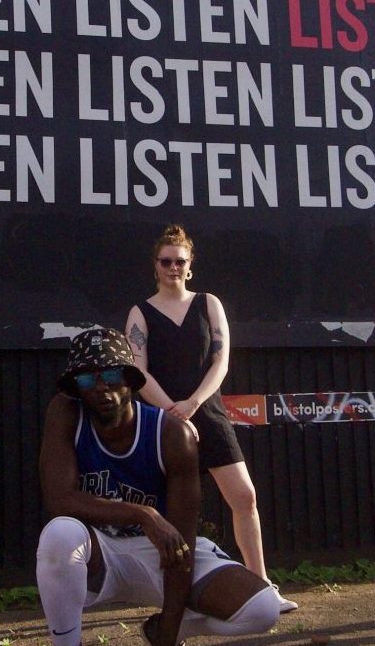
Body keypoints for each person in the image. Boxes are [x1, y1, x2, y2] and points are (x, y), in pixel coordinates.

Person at [35, 327, 283, 646]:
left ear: (132, 380)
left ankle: (162, 630)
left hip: (163, 551)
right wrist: (144, 514)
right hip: (103, 554)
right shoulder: (66, 413)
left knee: (263, 610)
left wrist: (166, 643)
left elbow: (181, 540)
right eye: (87, 378)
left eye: (112, 375)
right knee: (59, 535)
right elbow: (60, 499)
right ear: (76, 388)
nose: (101, 388)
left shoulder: (172, 434)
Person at [124, 225, 297, 613]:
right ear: (155, 266)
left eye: (179, 261)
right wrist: (172, 410)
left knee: (244, 497)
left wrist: (194, 403)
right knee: (172, 514)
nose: (172, 267)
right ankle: (172, 596)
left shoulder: (209, 304)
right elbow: (138, 372)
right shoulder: (141, 313)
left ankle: (262, 584)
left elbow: (221, 360)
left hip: (208, 413)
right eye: (165, 261)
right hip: (164, 423)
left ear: (190, 266)